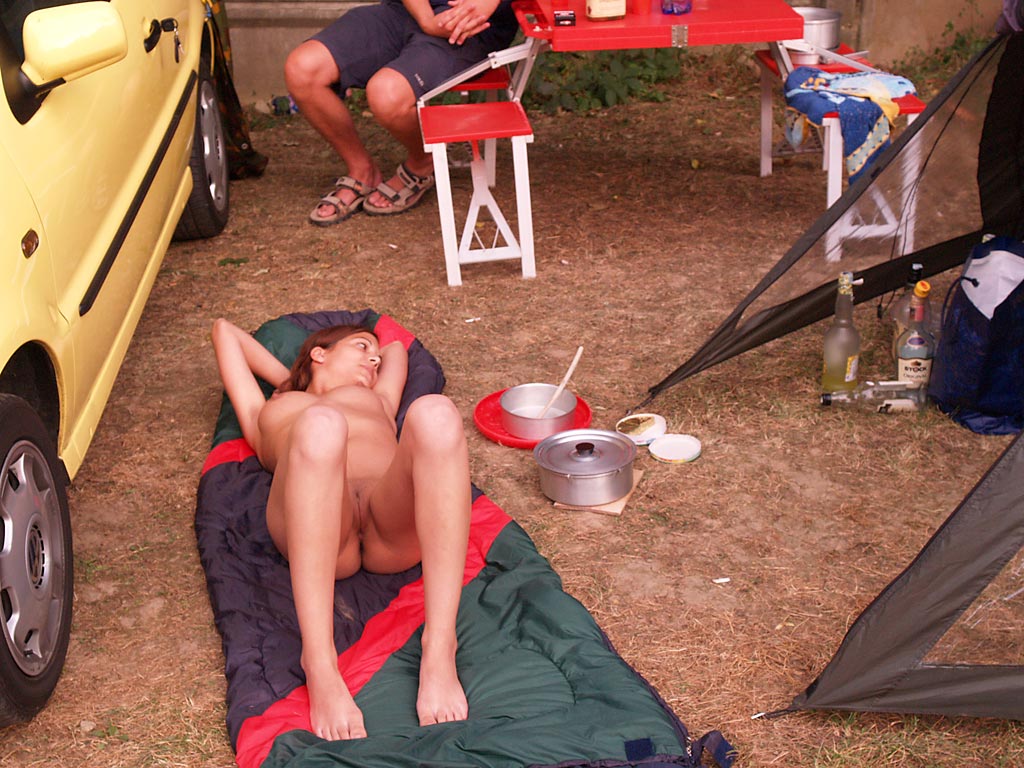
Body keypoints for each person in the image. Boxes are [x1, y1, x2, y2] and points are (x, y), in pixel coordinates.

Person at [211, 318, 473, 740]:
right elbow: (225, 332)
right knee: (321, 423)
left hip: (390, 521)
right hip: (323, 530)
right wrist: (293, 381)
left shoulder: (379, 397)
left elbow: (397, 349)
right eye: (361, 347)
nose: (374, 359)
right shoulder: (268, 410)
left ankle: (440, 649)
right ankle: (319, 664)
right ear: (318, 353)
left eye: (374, 356)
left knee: (437, 412)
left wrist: (356, 361)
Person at [284, 0, 519, 226]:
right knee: (302, 69)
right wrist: (426, 20)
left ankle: (422, 162)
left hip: (469, 29)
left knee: (386, 94)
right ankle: (362, 170)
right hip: (405, 12)